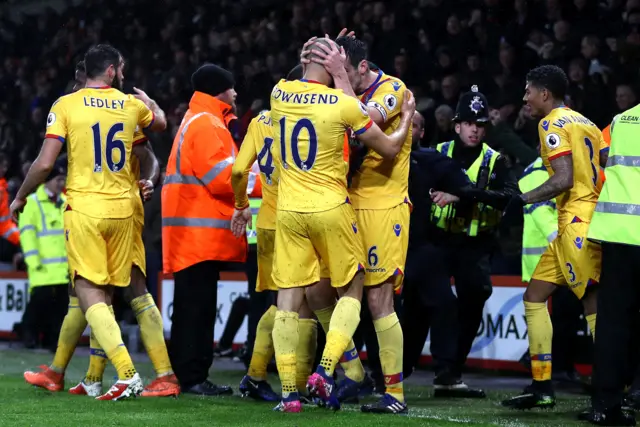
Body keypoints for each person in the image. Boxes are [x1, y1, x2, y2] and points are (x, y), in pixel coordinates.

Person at [246, 38, 412, 413]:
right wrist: (405, 125)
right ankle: (334, 371)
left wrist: (329, 57)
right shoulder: (344, 101)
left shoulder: (279, 93)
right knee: (330, 293)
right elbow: (383, 142)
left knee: (361, 298)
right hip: (336, 206)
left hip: (362, 207)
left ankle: (383, 393)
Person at [11, 44, 167, 401]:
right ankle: (78, 374)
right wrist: (153, 104)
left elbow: (45, 163)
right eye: (121, 68)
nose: (123, 73)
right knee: (93, 295)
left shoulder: (66, 105)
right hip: (123, 212)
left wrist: (20, 195)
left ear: (91, 73)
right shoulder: (131, 105)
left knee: (91, 292)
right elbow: (158, 125)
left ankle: (129, 373)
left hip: (85, 209)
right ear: (111, 71)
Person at [307, 34, 412, 414]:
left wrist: (339, 76)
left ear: (361, 68)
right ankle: (352, 371)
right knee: (319, 291)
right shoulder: (342, 90)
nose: (337, 79)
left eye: (345, 72)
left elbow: (363, 125)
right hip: (343, 205)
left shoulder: (393, 89)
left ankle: (395, 394)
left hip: (383, 206)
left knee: (378, 299)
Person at [402, 86, 518, 399]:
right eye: (469, 123)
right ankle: (401, 368)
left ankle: (450, 374)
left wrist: (462, 193)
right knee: (420, 305)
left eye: (480, 125)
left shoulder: (495, 161)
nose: (475, 130)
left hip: (475, 245)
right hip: (437, 242)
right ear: (456, 126)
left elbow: (510, 198)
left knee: (470, 305)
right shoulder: (436, 154)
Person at [502, 64, 605, 410]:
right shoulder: (587, 123)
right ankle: (541, 385)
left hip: (576, 221)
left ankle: (610, 390)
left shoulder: (551, 124)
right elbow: (601, 167)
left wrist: (522, 198)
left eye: (528, 91)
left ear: (544, 94)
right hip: (580, 219)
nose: (525, 98)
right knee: (534, 295)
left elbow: (563, 178)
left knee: (593, 304)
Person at [232, 65, 319, 403]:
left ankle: (255, 375)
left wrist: (241, 204)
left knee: (280, 304)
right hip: (298, 221)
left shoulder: (260, 121)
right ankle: (297, 385)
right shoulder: (306, 121)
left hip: (267, 223)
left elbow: (240, 169)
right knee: (304, 304)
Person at [162, 63, 246, 396]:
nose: (237, 93)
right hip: (199, 238)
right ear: (220, 91)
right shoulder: (209, 124)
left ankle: (187, 374)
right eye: (232, 87)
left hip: (190, 236)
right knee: (197, 311)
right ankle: (194, 376)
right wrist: (260, 182)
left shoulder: (197, 120)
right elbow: (223, 178)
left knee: (189, 310)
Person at [579, 110, 640, 426]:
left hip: (617, 234)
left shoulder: (621, 120)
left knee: (612, 324)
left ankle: (604, 405)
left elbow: (597, 161)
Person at [18, 162, 68, 350]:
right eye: (58, 179)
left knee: (60, 308)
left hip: (62, 268)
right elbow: (28, 233)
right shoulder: (32, 203)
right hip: (42, 266)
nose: (61, 183)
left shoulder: (65, 202)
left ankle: (52, 340)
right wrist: (32, 261)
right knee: (39, 303)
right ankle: (28, 334)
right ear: (47, 182)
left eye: (63, 179)